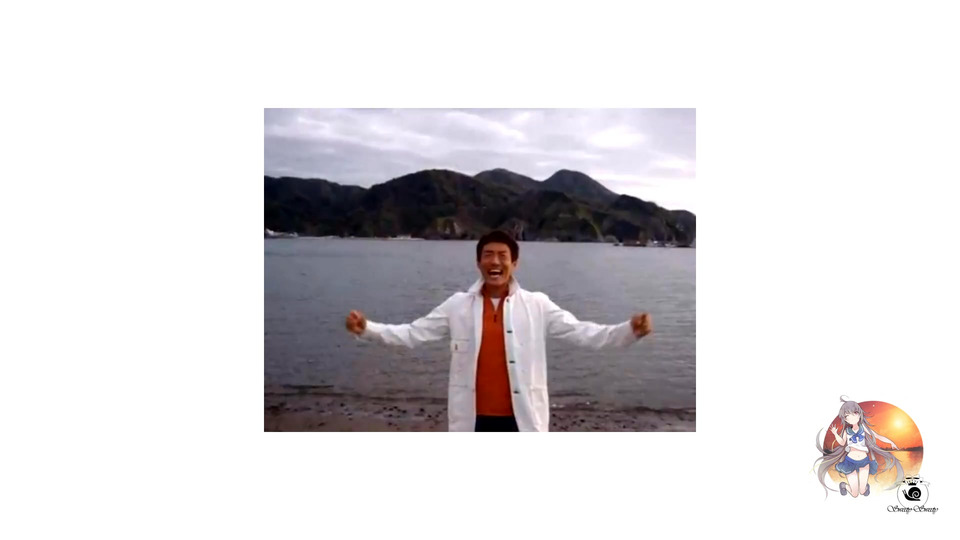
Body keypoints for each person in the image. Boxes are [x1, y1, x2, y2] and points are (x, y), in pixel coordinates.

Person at [344, 229, 652, 432]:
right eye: (488, 255)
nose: (495, 261)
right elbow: (412, 334)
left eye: (503, 256)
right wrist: (367, 329)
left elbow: (584, 333)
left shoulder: (537, 304)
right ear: (478, 262)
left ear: (514, 263)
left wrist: (629, 330)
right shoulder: (457, 306)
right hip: (473, 419)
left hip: (523, 419)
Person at [814, 396, 904, 498]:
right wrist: (835, 434)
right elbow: (842, 443)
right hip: (850, 462)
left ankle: (865, 488)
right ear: (845, 419)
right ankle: (844, 486)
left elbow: (877, 436)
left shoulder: (863, 427)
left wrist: (891, 442)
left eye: (854, 413)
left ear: (859, 414)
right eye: (847, 416)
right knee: (855, 494)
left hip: (864, 461)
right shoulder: (846, 431)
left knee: (862, 491)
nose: (851, 417)